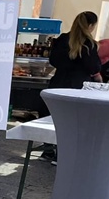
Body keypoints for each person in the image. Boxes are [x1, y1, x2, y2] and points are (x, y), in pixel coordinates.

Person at [41, 11, 101, 162]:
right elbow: (93, 66)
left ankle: (47, 149)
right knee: (72, 122)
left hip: (58, 83)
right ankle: (62, 154)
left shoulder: (63, 39)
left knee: (53, 118)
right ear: (91, 26)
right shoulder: (89, 44)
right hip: (77, 87)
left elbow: (53, 60)